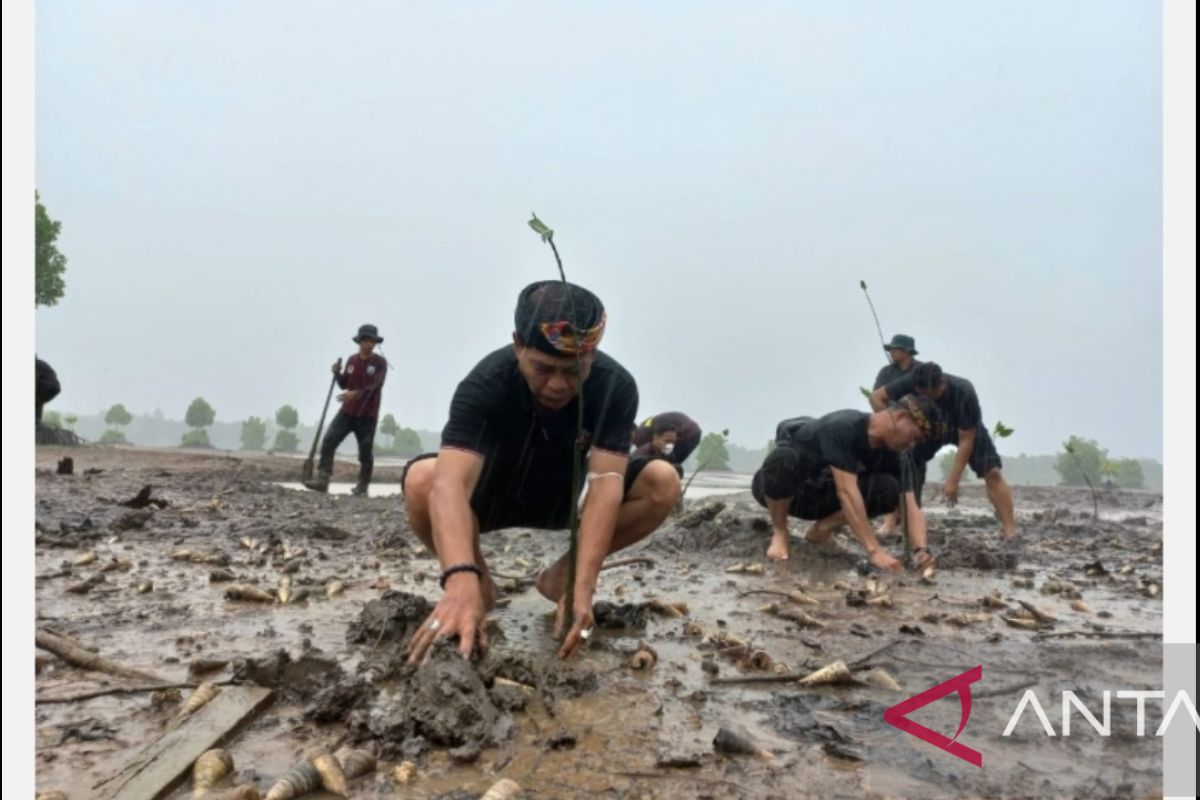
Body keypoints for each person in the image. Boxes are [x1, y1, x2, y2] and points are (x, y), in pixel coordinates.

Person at [401, 280, 680, 663]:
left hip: (564, 500)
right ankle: (477, 587)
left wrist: (581, 585)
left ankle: (560, 577)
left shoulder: (615, 386)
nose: (557, 385)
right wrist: (459, 578)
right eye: (543, 368)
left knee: (662, 482)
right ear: (518, 344)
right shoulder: (486, 383)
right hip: (490, 502)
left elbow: (605, 484)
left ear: (592, 356)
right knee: (422, 480)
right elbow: (449, 485)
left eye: (574, 371)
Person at [752, 395, 940, 572]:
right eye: (915, 437)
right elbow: (847, 492)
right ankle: (780, 532)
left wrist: (921, 550)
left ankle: (821, 531)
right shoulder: (842, 426)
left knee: (889, 488)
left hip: (822, 500)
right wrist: (874, 551)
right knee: (783, 458)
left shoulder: (899, 456)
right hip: (785, 492)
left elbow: (911, 506)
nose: (912, 444)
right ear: (901, 416)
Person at [870, 362, 1016, 540]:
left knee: (992, 471)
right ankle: (905, 524)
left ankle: (1010, 529)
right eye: (923, 394)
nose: (928, 398)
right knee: (907, 466)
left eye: (932, 395)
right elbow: (876, 397)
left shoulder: (963, 392)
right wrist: (895, 428)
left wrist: (953, 480)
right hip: (924, 429)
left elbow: (966, 440)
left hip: (960, 428)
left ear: (943, 384)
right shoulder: (913, 379)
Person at [303, 324, 387, 496]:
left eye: (372, 341)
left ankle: (362, 486)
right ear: (360, 341)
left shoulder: (380, 363)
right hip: (347, 411)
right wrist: (336, 373)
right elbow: (344, 384)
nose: (369, 344)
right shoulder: (351, 361)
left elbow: (376, 387)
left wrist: (356, 394)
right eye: (366, 340)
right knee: (329, 440)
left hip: (367, 415)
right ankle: (323, 479)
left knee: (365, 451)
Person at [871, 334, 922, 535]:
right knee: (892, 472)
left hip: (916, 431)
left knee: (916, 474)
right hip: (891, 431)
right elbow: (875, 399)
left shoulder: (921, 371)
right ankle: (891, 518)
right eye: (890, 349)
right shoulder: (886, 373)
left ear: (907, 352)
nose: (891, 352)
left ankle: (912, 519)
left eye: (896, 349)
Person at [629, 412, 702, 485]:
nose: (629, 442)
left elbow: (646, 453)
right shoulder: (644, 427)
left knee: (669, 466)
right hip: (692, 431)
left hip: (688, 433)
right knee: (668, 463)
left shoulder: (641, 436)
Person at [36, 357, 61, 423]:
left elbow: (55, 388)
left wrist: (37, 400)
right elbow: (55, 387)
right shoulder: (40, 365)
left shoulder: (39, 366)